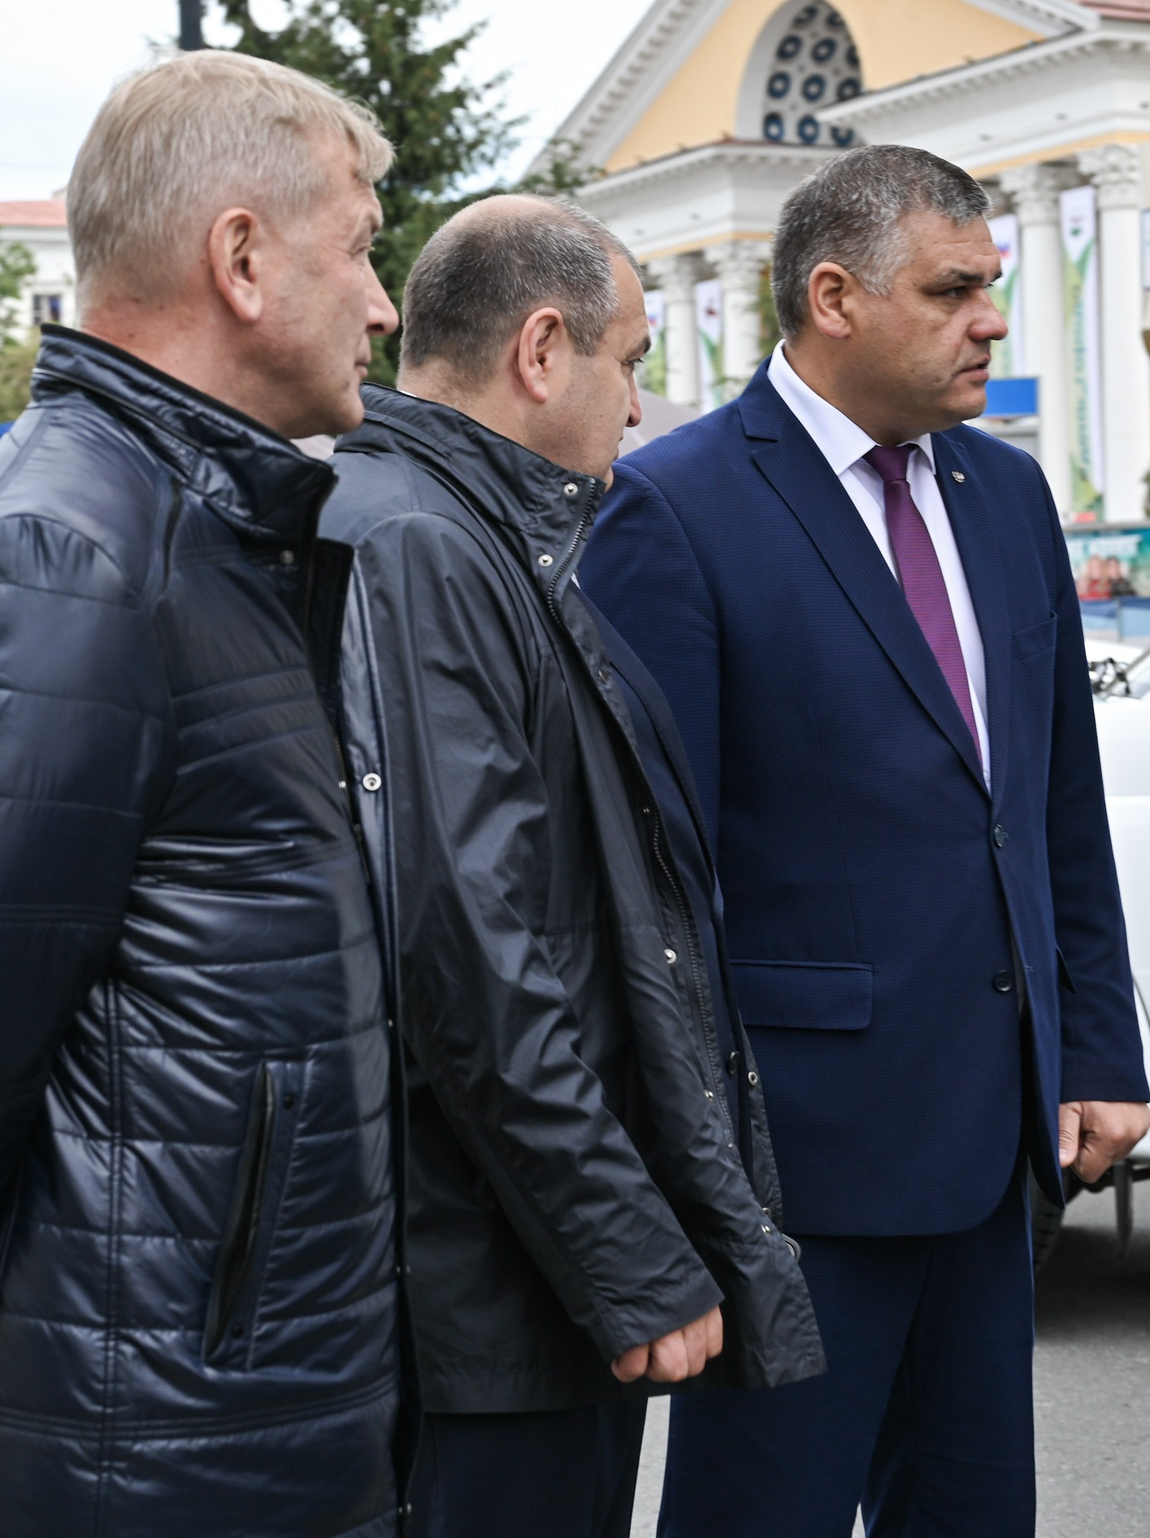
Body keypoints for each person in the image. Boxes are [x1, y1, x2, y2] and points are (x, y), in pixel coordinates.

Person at [0, 51, 408, 1537]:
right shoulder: (66, 552)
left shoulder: (197, 526)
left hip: (225, 1382)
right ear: (241, 258)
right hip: (151, 1424)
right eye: (361, 248)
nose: (384, 304)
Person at [587, 145, 1150, 1537]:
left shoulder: (1006, 495)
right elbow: (655, 878)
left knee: (971, 1513)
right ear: (834, 297)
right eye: (953, 289)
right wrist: (687, 1169)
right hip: (801, 1164)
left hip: (997, 1135)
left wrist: (1095, 1047)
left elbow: (1053, 803)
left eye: (992, 285)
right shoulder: (676, 506)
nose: (992, 320)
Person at [319, 196, 821, 1538]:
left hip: (506, 1273)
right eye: (631, 359)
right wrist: (631, 1253)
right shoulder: (423, 543)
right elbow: (470, 950)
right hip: (484, 1293)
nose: (640, 406)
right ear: (542, 350)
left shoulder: (467, 530)